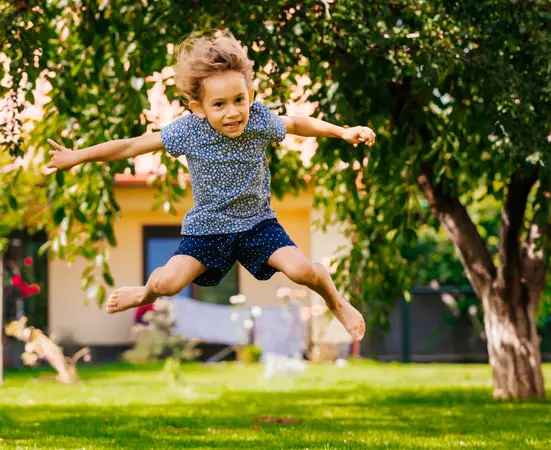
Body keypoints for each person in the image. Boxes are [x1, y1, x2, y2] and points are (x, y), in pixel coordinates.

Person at [46, 31, 375, 341]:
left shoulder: (259, 119)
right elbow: (131, 146)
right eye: (219, 105)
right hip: (207, 229)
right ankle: (143, 293)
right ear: (199, 108)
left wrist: (342, 131)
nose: (232, 112)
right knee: (166, 282)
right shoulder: (188, 130)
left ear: (251, 96)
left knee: (303, 271)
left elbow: (297, 123)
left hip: (258, 224)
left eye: (239, 100)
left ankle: (335, 302)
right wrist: (77, 156)